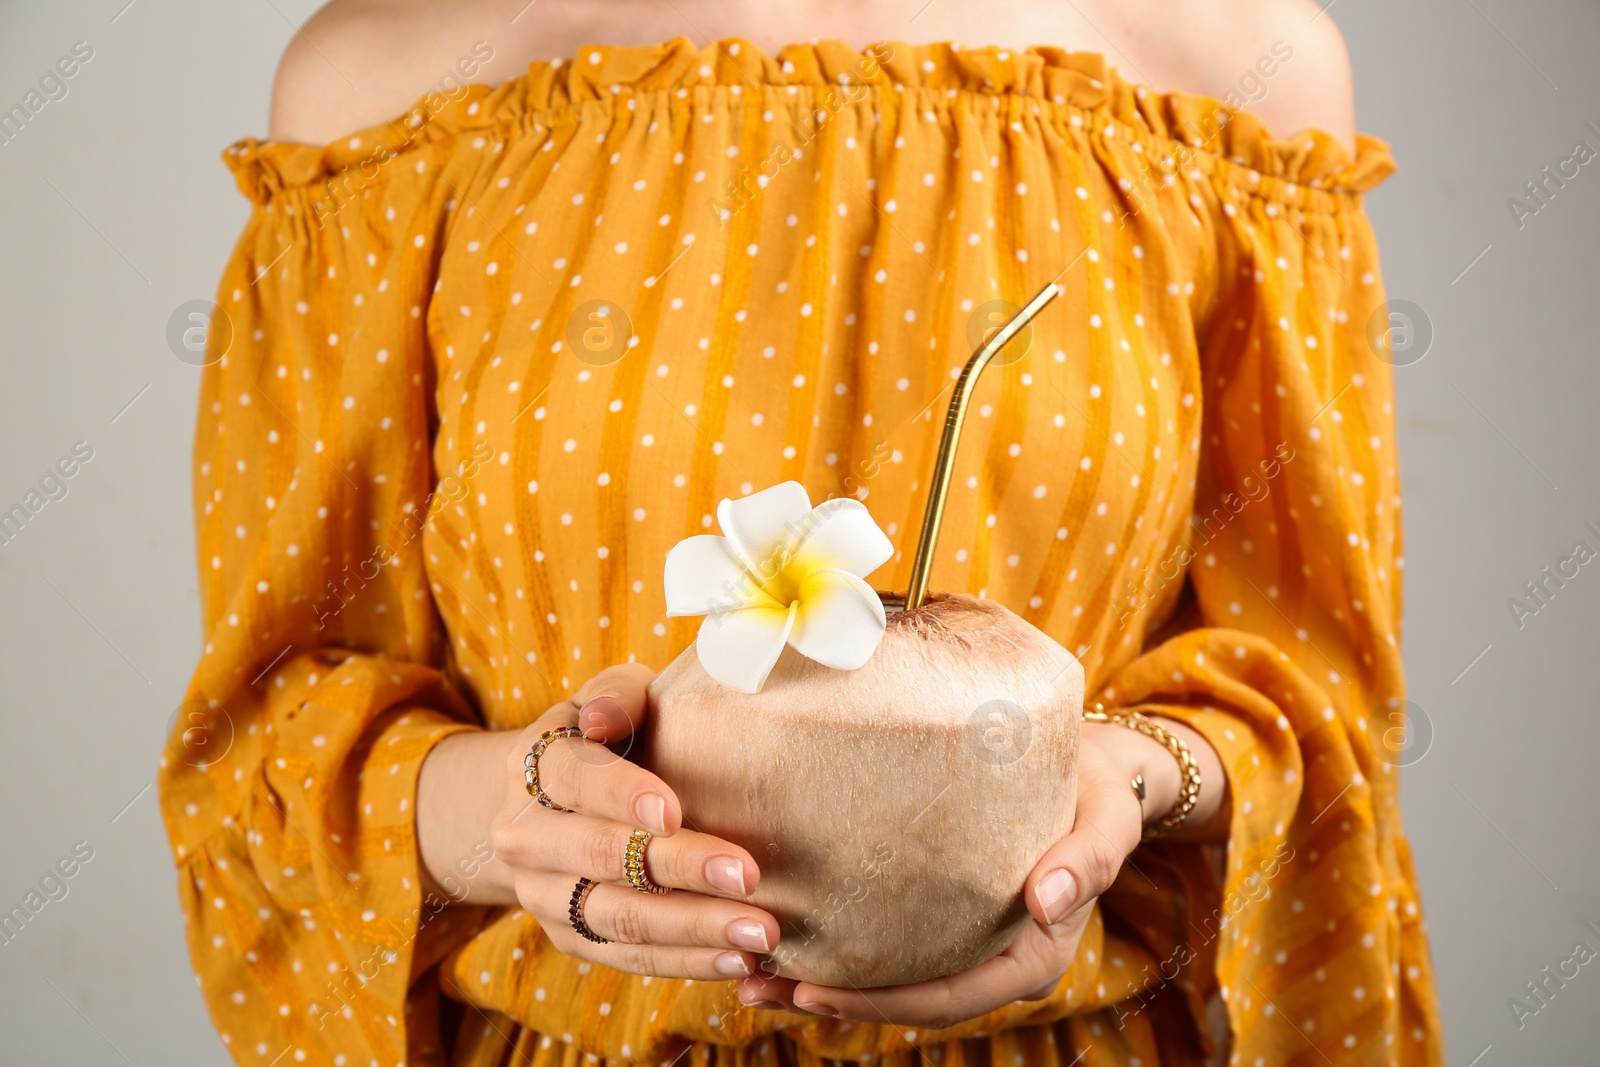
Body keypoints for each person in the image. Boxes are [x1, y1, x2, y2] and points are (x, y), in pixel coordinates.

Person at [160, 1, 1443, 1063]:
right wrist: (517, 813)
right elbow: (271, 734)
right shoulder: (393, 85)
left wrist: (1126, 778)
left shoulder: (1233, 80)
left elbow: (1318, 709)